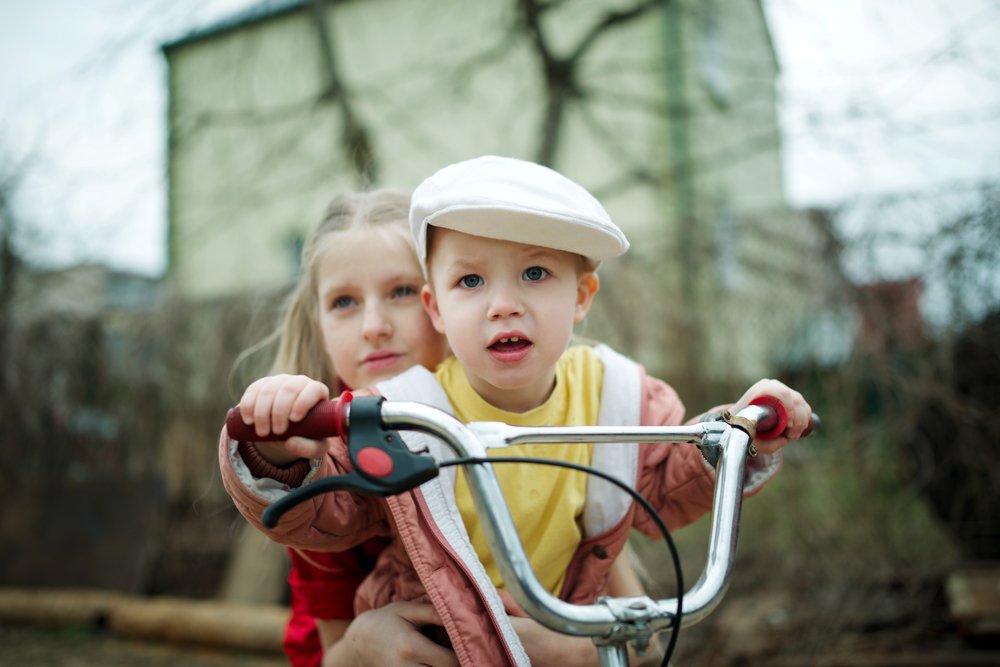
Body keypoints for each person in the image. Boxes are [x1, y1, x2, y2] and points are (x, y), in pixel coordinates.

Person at [221, 156, 812, 667]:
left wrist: (737, 435)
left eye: (399, 291)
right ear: (443, 303)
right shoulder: (366, 431)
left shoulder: (599, 400)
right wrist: (274, 450)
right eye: (471, 280)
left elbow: (658, 477)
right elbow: (319, 511)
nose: (503, 305)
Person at [240, 187, 648, 667]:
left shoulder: (541, 426)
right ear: (319, 323)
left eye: (402, 291)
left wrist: (581, 650)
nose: (374, 325)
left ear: (447, 299)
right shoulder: (324, 461)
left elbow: (643, 639)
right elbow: (326, 655)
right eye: (345, 302)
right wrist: (361, 643)